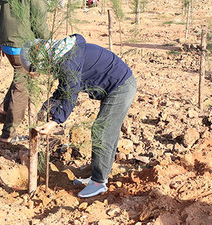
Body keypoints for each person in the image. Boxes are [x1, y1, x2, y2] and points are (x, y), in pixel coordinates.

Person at [23, 34, 136, 198]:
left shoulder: (69, 62)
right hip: (113, 85)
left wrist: (55, 121)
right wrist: (48, 106)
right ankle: (97, 176)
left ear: (43, 60)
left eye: (38, 69)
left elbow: (70, 94)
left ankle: (99, 182)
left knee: (103, 130)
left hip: (121, 86)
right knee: (104, 130)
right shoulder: (63, 54)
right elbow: (63, 88)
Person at [0, 0, 53, 141]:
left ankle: (3, 109)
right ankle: (10, 133)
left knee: (20, 75)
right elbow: (39, 19)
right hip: (23, 41)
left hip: (7, 40)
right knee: (23, 86)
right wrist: (49, 43)